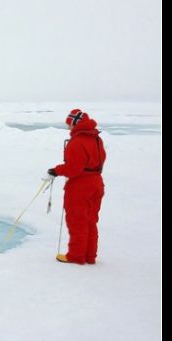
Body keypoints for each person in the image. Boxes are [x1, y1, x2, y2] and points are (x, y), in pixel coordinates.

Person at [47, 109, 106, 265]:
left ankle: (76, 256)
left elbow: (74, 169)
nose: (68, 128)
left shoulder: (77, 142)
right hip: (96, 183)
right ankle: (89, 256)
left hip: (81, 186)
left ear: (75, 123)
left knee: (78, 221)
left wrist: (57, 170)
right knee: (91, 221)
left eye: (69, 125)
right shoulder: (97, 139)